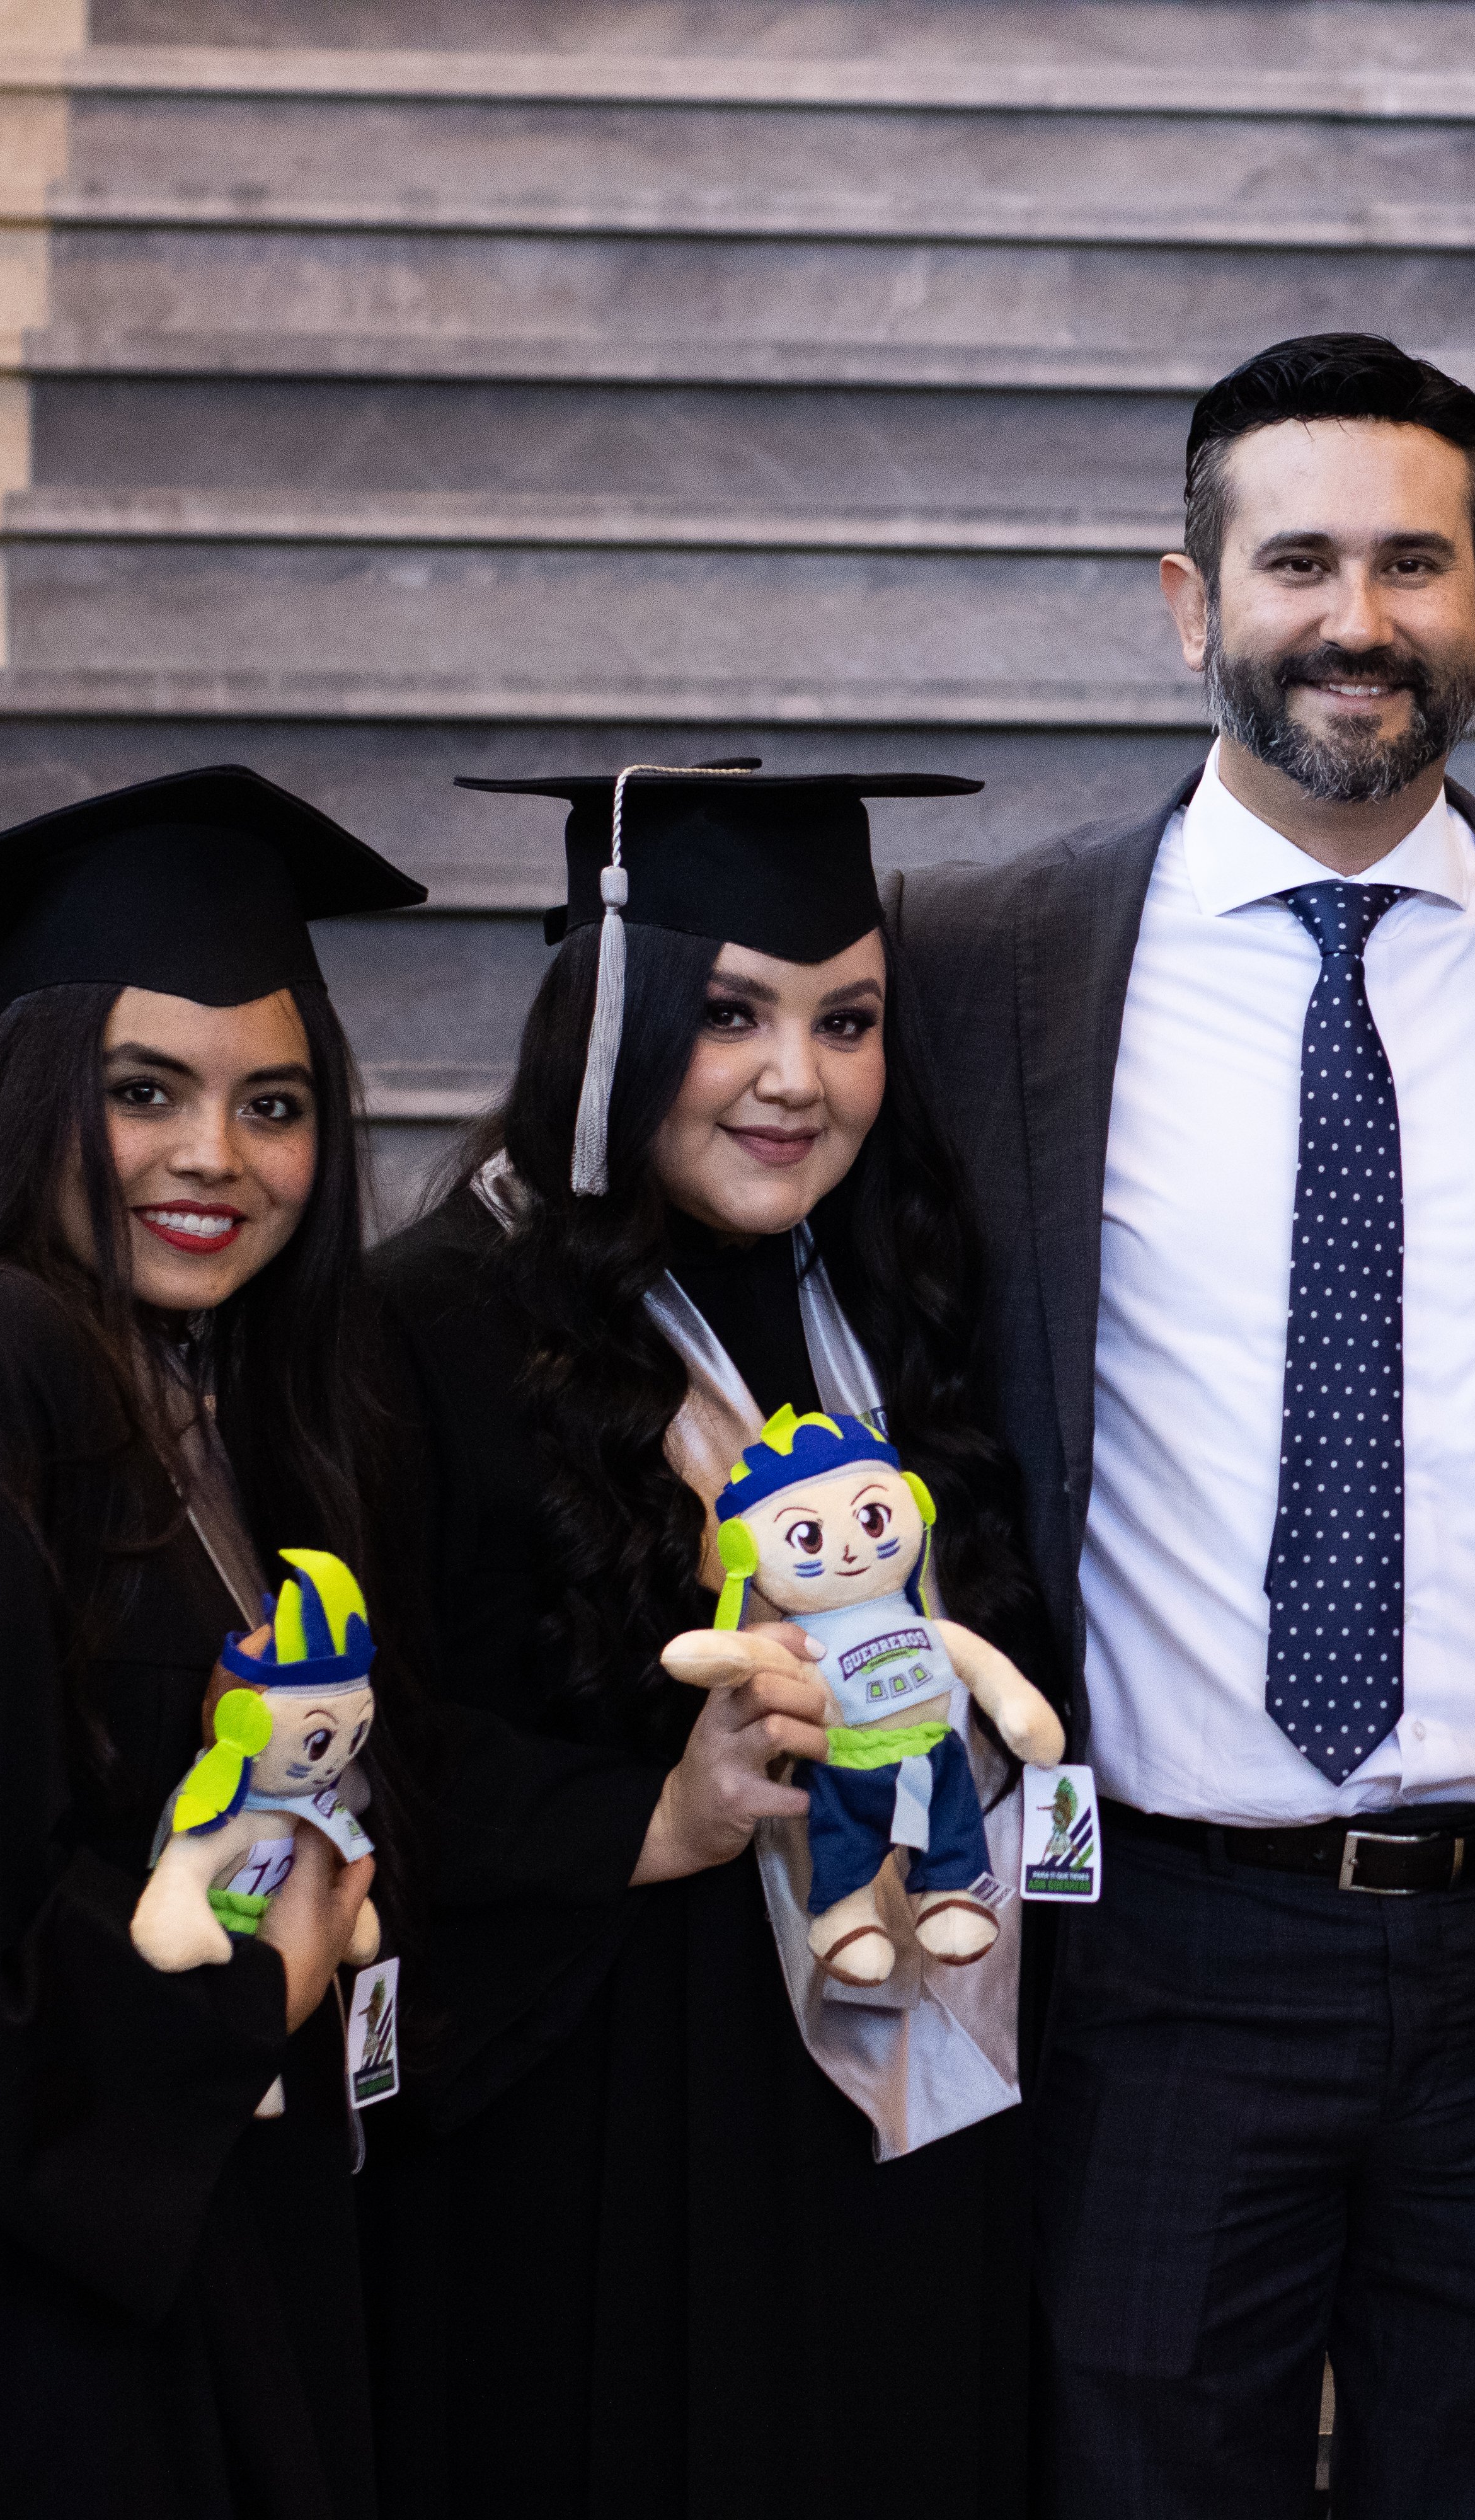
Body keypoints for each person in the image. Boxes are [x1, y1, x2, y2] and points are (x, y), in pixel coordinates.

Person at [877, 333, 1475, 2518]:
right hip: (1160, 1945)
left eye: (1417, 563)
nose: (1358, 620)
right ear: (1186, 595)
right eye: (1297, 559)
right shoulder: (986, 970)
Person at [356, 764, 1038, 2520]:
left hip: (910, 2082)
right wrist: (652, 1819)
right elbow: (377, 1746)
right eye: (729, 1014)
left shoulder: (896, 1302)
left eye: (849, 1018)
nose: (796, 1078)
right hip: (611, 2127)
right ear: (611, 1020)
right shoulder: (434, 1324)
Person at [0, 769, 415, 2514]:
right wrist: (264, 1985)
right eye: (144, 1093)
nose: (217, 1158)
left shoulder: (199, 1396)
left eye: (274, 1103)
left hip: (151, 2252)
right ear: (27, 1099)